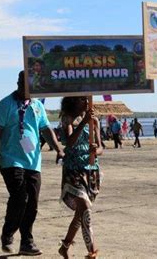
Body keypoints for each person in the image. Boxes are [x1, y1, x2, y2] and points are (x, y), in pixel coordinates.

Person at [0, 71, 64, 255]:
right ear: (18, 83)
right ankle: (8, 233)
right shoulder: (5, 104)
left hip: (33, 162)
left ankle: (26, 242)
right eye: (24, 84)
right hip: (11, 160)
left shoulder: (37, 106)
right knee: (20, 197)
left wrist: (58, 149)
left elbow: (46, 130)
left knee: (32, 204)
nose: (28, 88)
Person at [57, 96, 103, 259]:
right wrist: (83, 122)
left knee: (80, 213)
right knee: (85, 210)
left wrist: (94, 150)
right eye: (82, 99)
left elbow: (101, 148)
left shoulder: (94, 121)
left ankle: (65, 246)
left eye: (87, 99)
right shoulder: (67, 119)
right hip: (73, 171)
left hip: (90, 171)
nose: (86, 102)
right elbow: (69, 142)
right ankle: (92, 252)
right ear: (74, 101)